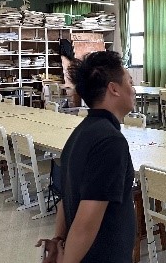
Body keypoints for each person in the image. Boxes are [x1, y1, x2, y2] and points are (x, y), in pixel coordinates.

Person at [36, 50, 137, 263]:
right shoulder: (110, 142)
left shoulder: (81, 132)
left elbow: (66, 197)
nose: (134, 89)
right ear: (114, 89)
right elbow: (85, 224)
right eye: (130, 82)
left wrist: (59, 238)